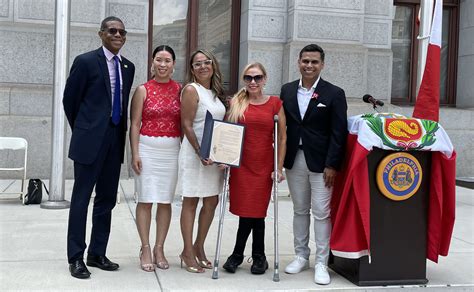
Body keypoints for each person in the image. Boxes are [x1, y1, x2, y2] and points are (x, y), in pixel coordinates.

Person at [63, 16, 135, 279]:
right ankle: (76, 258)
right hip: (89, 142)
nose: (118, 35)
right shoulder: (85, 62)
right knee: (81, 199)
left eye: (122, 32)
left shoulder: (128, 66)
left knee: (106, 200)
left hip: (114, 142)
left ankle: (97, 253)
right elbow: (70, 100)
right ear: (101, 33)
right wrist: (85, 129)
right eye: (112, 30)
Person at [280, 44, 347, 285]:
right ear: (298, 62)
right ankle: (301, 255)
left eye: (314, 62)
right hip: (294, 159)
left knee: (321, 212)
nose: (309, 65)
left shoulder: (334, 93)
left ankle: (321, 262)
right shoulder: (287, 90)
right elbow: (282, 126)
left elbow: (339, 133)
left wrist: (332, 164)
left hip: (322, 163)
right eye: (305, 61)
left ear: (322, 65)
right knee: (299, 209)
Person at [222, 62, 287, 275]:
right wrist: (223, 158)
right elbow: (227, 132)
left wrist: (278, 168)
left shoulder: (275, 104)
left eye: (257, 77)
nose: (253, 82)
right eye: (249, 78)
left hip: (263, 166)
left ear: (265, 79)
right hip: (242, 166)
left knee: (257, 211)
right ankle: (257, 256)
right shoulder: (236, 103)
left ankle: (241, 255)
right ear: (244, 80)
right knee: (245, 212)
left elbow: (282, 138)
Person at [129, 45, 181, 272]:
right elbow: (134, 124)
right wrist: (135, 153)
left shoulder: (181, 89)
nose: (163, 64)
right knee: (146, 199)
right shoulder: (143, 89)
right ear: (152, 62)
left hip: (171, 152)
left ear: (173, 64)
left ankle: (160, 247)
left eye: (167, 60)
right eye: (159, 60)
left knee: (165, 200)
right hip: (147, 150)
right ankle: (146, 247)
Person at [176, 49, 226, 273]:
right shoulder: (191, 89)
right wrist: (199, 152)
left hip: (214, 155)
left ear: (213, 65)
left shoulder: (215, 93)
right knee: (191, 201)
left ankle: (199, 246)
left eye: (207, 62)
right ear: (192, 70)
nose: (203, 66)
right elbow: (186, 124)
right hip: (195, 153)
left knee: (211, 201)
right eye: (198, 64)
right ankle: (187, 251)